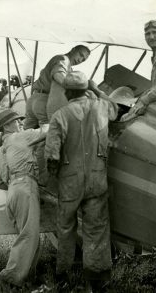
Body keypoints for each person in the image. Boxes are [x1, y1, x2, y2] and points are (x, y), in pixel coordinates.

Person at [44, 71, 118, 292]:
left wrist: (55, 176)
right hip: (97, 179)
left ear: (67, 93)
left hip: (70, 182)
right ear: (86, 89)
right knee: (97, 229)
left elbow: (52, 155)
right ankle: (97, 279)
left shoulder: (60, 115)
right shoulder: (102, 108)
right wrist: (97, 90)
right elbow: (115, 108)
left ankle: (64, 274)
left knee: (65, 227)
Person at [0, 108, 47, 289]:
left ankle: (26, 280)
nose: (21, 123)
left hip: (13, 192)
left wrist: (15, 185)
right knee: (29, 236)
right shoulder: (21, 136)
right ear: (7, 125)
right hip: (25, 187)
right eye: (17, 121)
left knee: (30, 237)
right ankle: (7, 280)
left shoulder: (0, 150)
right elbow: (47, 130)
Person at [24, 45, 91, 130]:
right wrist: (77, 89)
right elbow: (58, 75)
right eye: (80, 55)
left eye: (83, 59)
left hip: (33, 99)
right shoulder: (64, 60)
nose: (80, 60)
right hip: (43, 101)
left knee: (26, 134)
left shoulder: (64, 63)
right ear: (73, 50)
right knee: (46, 134)